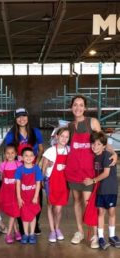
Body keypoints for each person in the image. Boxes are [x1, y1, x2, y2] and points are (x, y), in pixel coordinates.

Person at [64, 95, 117, 248]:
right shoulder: (68, 126)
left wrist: (113, 153)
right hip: (74, 169)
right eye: (75, 105)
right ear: (71, 107)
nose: (78, 108)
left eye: (81, 105)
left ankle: (94, 234)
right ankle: (80, 231)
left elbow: (102, 141)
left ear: (85, 108)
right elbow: (62, 144)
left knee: (89, 202)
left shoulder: (92, 122)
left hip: (89, 170)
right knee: (77, 201)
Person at [5, 107, 44, 235]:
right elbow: (9, 153)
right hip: (20, 171)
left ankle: (35, 223)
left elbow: (41, 149)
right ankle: (22, 225)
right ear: (15, 119)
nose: (21, 119)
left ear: (27, 117)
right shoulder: (11, 135)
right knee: (20, 199)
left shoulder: (35, 132)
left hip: (33, 169)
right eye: (18, 117)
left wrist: (36, 164)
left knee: (36, 198)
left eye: (24, 116)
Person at [83, 131, 120, 250]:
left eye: (98, 144)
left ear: (104, 146)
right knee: (100, 213)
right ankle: (100, 237)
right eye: (93, 144)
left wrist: (92, 181)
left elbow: (106, 173)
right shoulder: (95, 157)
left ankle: (112, 235)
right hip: (100, 190)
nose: (95, 146)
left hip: (110, 189)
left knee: (112, 212)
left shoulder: (106, 155)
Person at [42, 127, 70, 243]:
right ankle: (52, 230)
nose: (64, 139)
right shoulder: (50, 151)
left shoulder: (70, 150)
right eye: (62, 136)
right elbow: (42, 170)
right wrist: (43, 182)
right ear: (57, 137)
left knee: (58, 209)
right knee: (51, 206)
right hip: (51, 183)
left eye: (66, 137)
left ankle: (57, 227)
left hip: (64, 184)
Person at [15, 147, 43, 245]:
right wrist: (19, 197)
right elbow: (18, 184)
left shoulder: (36, 169)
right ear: (22, 157)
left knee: (33, 215)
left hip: (33, 198)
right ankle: (25, 234)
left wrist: (36, 196)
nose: (28, 157)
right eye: (26, 155)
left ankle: (32, 234)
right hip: (24, 198)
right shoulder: (19, 170)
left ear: (34, 157)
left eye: (31, 155)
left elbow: (38, 183)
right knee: (24, 216)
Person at [0, 144, 22, 244]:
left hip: (16, 193)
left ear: (16, 154)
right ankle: (16, 232)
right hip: (6, 192)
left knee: (14, 212)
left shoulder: (19, 164)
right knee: (13, 212)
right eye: (8, 153)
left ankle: (9, 234)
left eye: (12, 153)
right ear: (4, 154)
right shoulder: (2, 165)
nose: (10, 155)